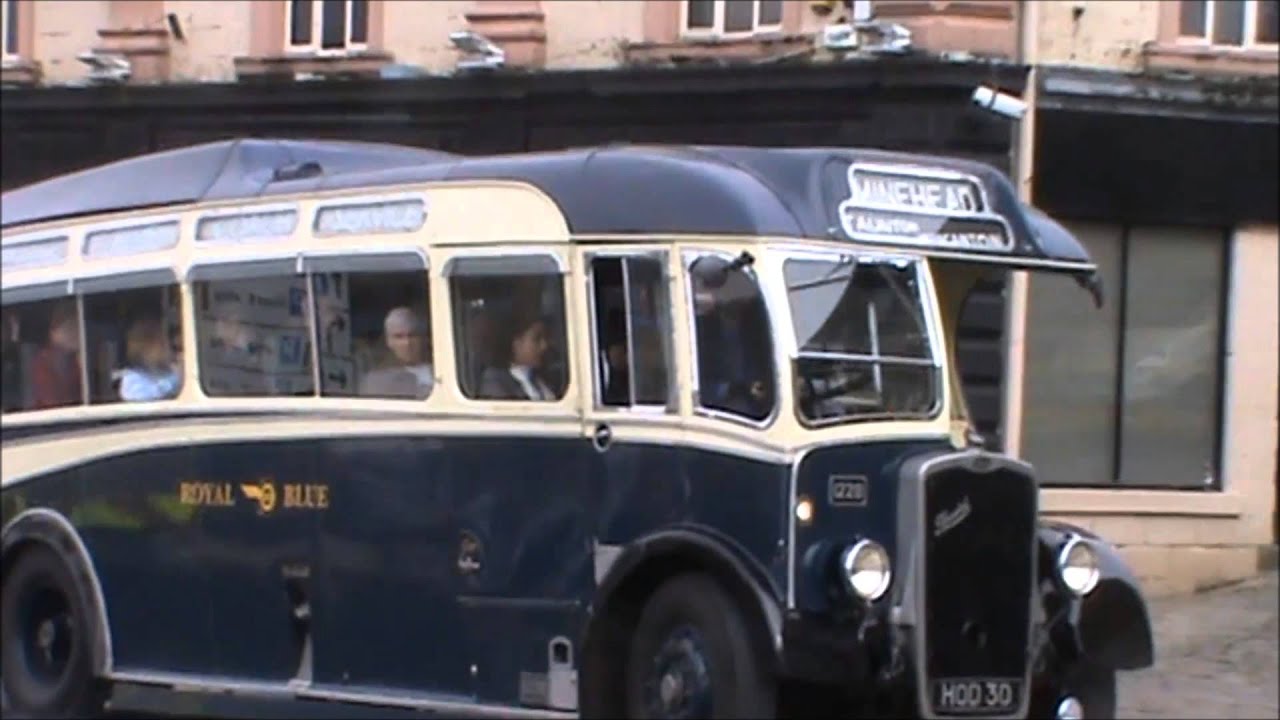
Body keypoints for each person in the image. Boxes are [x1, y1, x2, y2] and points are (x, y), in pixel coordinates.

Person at [479, 310, 556, 401]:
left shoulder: (542, 379)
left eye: (545, 338)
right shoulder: (494, 382)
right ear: (516, 343)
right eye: (537, 339)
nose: (544, 346)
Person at [359, 307, 434, 399]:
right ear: (389, 341)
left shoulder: (442, 370)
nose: (407, 343)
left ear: (422, 338)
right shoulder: (376, 381)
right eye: (399, 337)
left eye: (412, 335)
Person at [29, 300, 82, 410]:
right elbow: (53, 403)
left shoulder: (76, 359)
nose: (76, 333)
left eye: (78, 327)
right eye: (70, 327)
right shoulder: (43, 361)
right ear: (54, 331)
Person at [118, 317, 182, 402]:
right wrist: (177, 377)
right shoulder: (131, 378)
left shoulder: (167, 371)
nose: (168, 347)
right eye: (161, 342)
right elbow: (139, 397)